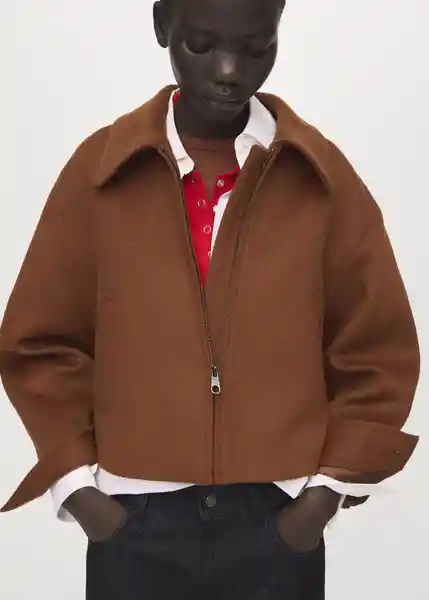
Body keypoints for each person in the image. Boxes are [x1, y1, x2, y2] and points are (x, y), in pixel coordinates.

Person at [0, 0, 420, 598]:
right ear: (161, 25)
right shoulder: (99, 172)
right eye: (201, 45)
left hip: (278, 522)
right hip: (133, 524)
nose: (229, 70)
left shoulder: (319, 177)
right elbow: (40, 341)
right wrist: (81, 491)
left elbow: (377, 345)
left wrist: (321, 499)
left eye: (257, 47)